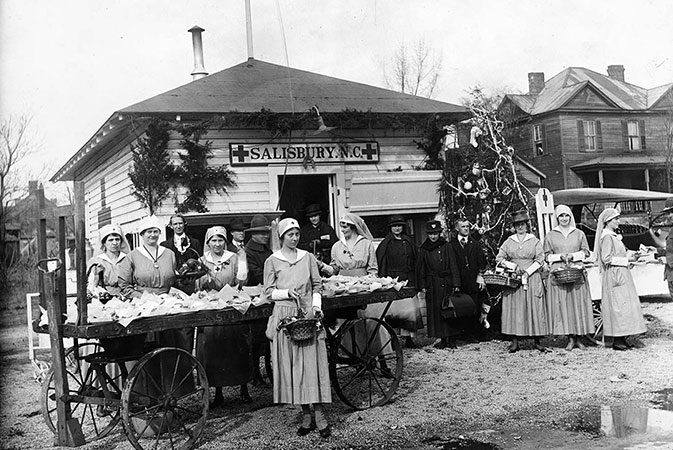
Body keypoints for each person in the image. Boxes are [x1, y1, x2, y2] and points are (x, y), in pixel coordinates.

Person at [263, 218, 332, 438]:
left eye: (297, 234)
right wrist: (285, 293)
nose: (295, 238)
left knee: (313, 364)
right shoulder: (272, 261)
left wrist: (316, 307)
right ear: (282, 237)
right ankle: (305, 415)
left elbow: (317, 284)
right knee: (295, 367)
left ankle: (320, 414)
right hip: (285, 315)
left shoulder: (308, 257)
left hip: (307, 314)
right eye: (290, 234)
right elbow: (268, 291)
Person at [195, 226, 252, 405]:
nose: (217, 244)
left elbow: (242, 280)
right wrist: (203, 282)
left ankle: (243, 387)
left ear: (225, 242)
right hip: (212, 308)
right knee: (213, 348)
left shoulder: (233, 258)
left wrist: (240, 275)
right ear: (208, 242)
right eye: (214, 240)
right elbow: (196, 286)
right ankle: (217, 390)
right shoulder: (202, 261)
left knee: (237, 345)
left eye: (220, 240)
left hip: (230, 305)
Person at [593, 208, 647, 351]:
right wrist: (624, 261)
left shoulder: (614, 236)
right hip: (614, 275)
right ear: (608, 222)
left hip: (621, 274)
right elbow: (606, 259)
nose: (618, 221)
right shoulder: (606, 237)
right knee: (617, 307)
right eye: (615, 219)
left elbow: (620, 253)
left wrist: (633, 255)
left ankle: (622, 337)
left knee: (624, 306)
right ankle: (617, 340)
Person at [496, 210, 549, 353]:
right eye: (517, 225)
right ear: (514, 226)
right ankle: (515, 341)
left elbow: (540, 259)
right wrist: (513, 267)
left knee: (534, 307)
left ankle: (537, 341)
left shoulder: (534, 241)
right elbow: (499, 258)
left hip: (532, 277)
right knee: (515, 308)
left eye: (522, 224)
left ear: (527, 225)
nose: (520, 227)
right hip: (515, 279)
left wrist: (528, 271)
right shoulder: (509, 241)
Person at [543, 205, 595, 351]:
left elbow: (586, 252)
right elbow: (546, 255)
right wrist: (560, 256)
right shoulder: (551, 235)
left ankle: (579, 337)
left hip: (576, 271)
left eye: (567, 216)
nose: (564, 219)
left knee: (577, 304)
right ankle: (570, 338)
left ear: (570, 217)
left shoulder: (579, 233)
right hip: (559, 272)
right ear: (557, 218)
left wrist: (573, 256)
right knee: (564, 305)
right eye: (561, 216)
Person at [376, 214, 423, 348]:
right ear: (390, 228)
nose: (397, 229)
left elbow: (416, 262)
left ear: (403, 227)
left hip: (408, 279)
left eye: (399, 226)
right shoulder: (386, 243)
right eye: (394, 226)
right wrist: (385, 281)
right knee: (394, 310)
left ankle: (408, 338)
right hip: (393, 280)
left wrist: (415, 280)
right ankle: (393, 338)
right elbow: (381, 263)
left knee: (409, 309)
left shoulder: (409, 242)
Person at [416, 220, 460, 349]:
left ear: (439, 233)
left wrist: (456, 283)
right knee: (437, 312)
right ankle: (442, 338)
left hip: (447, 283)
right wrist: (423, 285)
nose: (433, 237)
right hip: (433, 284)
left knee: (450, 310)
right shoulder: (424, 249)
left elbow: (453, 265)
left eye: (435, 234)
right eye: (430, 234)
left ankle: (452, 339)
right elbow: (421, 269)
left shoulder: (446, 246)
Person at [244, 214, 274, 385]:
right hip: (255, 299)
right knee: (256, 339)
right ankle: (255, 373)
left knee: (267, 336)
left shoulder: (267, 250)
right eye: (262, 233)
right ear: (253, 234)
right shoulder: (248, 252)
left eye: (266, 233)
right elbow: (256, 274)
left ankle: (268, 371)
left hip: (267, 296)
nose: (265, 236)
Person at [448, 218, 487, 342]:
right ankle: (461, 333)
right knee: (460, 306)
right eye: (463, 227)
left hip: (472, 281)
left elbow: (481, 261)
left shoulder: (474, 243)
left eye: (467, 226)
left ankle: (473, 334)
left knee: (474, 306)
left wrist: (480, 275)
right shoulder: (451, 245)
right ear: (457, 229)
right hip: (459, 281)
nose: (466, 229)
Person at [160, 214, 201, 294]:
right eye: (175, 224)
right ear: (171, 226)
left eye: (180, 223)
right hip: (172, 284)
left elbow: (199, 263)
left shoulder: (195, 243)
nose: (178, 226)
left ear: (184, 224)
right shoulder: (165, 245)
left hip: (191, 283)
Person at [87, 224, 130, 298]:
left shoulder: (127, 259)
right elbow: (92, 286)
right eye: (110, 240)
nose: (114, 243)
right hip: (104, 298)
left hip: (127, 296)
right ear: (104, 243)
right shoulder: (97, 262)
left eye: (117, 239)